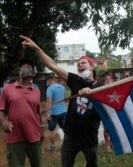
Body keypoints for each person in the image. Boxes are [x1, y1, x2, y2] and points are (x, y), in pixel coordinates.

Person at [20, 35, 101, 167]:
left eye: (83, 63)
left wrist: (91, 94)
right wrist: (36, 48)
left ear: (91, 66)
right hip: (71, 136)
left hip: (90, 137)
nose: (80, 65)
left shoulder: (100, 88)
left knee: (92, 164)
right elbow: (52, 64)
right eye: (78, 64)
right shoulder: (75, 80)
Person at [0, 58, 43, 167]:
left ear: (33, 73)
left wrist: (42, 130)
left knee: (38, 164)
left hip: (34, 135)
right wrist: (4, 122)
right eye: (23, 66)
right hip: (14, 136)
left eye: (28, 67)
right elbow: (0, 109)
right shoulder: (7, 89)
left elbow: (38, 112)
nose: (24, 68)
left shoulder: (36, 90)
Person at [46, 74, 67, 150]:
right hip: (63, 111)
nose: (47, 83)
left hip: (54, 113)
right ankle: (67, 143)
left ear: (49, 80)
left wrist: (48, 113)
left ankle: (52, 145)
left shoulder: (50, 89)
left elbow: (49, 102)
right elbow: (64, 99)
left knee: (51, 129)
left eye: (47, 81)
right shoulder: (62, 87)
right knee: (65, 128)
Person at [103, 74, 113, 152]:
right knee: (107, 129)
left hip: (114, 111)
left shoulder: (115, 88)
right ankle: (107, 145)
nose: (107, 80)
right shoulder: (102, 89)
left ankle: (113, 143)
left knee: (114, 128)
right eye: (106, 79)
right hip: (106, 111)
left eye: (109, 78)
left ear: (112, 80)